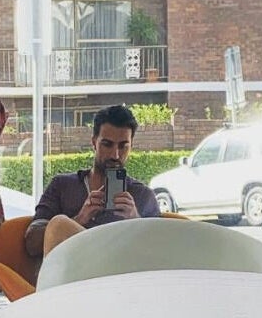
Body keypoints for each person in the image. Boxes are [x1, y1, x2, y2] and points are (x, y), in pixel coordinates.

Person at [24, 104, 160, 258]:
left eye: (123, 146)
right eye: (107, 144)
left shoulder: (142, 196)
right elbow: (31, 244)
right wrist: (79, 219)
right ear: (94, 142)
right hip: (71, 276)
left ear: (131, 146)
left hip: (118, 276)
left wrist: (135, 222)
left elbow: (158, 257)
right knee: (59, 223)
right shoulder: (62, 186)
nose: (115, 155)